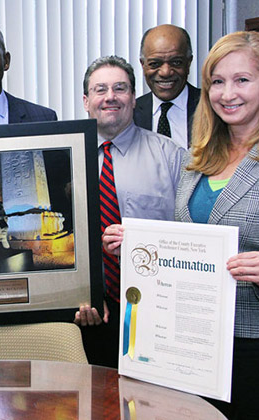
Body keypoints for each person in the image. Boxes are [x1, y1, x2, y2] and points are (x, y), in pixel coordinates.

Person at [104, 31, 259, 419]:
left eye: (242, 80)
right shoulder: (199, 157)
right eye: (217, 82)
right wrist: (140, 241)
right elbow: (186, 241)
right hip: (193, 345)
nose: (227, 93)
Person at [75, 56, 185, 368]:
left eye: (120, 88)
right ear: (86, 101)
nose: (110, 96)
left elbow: (190, 234)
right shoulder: (66, 159)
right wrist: (82, 295)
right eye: (100, 89)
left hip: (156, 309)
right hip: (90, 314)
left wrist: (140, 241)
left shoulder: (170, 156)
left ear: (134, 98)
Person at [134, 24, 200, 148]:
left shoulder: (212, 107)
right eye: (155, 64)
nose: (165, 72)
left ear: (188, 63)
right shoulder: (130, 114)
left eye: (176, 62)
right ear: (143, 65)